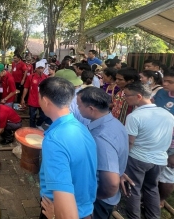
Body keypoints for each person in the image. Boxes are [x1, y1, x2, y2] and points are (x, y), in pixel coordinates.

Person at [38, 77, 97, 219]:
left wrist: (55, 215)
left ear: (45, 101)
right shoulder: (81, 128)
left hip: (60, 211)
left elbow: (68, 214)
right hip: (85, 209)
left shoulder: (54, 140)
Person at [123, 82, 174, 219]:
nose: (124, 98)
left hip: (138, 159)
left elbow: (130, 141)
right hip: (159, 160)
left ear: (138, 96)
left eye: (127, 95)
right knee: (152, 188)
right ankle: (154, 216)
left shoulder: (134, 117)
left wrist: (122, 160)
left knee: (133, 189)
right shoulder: (167, 114)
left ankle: (134, 216)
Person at [77, 87, 128, 219]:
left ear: (91, 109)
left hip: (99, 201)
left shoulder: (100, 137)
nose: (77, 108)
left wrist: (95, 196)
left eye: (79, 105)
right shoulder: (116, 124)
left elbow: (111, 183)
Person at [154, 70, 174, 207]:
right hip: (155, 140)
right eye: (164, 80)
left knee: (168, 175)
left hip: (171, 146)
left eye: (170, 82)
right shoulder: (161, 93)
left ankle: (161, 200)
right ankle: (152, 196)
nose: (165, 83)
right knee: (154, 171)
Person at [20, 60, 49, 128]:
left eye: (42, 68)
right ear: (36, 68)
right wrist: (23, 98)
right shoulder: (31, 77)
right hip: (32, 101)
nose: (40, 70)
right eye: (39, 68)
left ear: (44, 68)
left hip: (42, 101)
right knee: (32, 116)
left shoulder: (46, 78)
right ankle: (32, 128)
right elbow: (26, 88)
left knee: (44, 115)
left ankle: (38, 124)